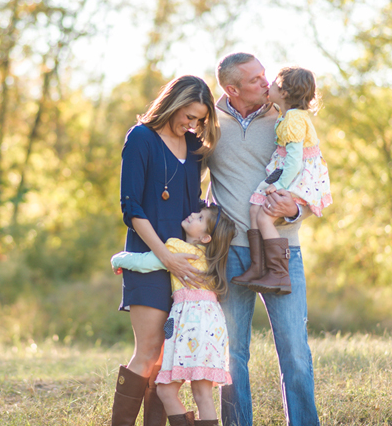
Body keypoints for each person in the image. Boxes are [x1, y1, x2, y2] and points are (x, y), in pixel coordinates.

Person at [206, 53, 320, 426]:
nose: (265, 82)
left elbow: (312, 179)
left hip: (281, 250)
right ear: (231, 89)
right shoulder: (209, 123)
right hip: (228, 253)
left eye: (264, 75)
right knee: (232, 354)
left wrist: (293, 211)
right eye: (255, 79)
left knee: (295, 354)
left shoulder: (287, 117)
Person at [112, 75, 220, 426]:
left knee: (164, 363)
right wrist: (165, 256)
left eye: (199, 119)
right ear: (173, 103)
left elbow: (193, 203)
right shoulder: (141, 138)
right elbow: (132, 209)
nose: (192, 125)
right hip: (150, 258)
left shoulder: (192, 147)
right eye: (188, 116)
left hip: (185, 268)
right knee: (147, 354)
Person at [111, 203, 236, 426]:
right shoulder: (212, 260)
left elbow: (146, 263)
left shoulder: (177, 248)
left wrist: (119, 259)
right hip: (212, 328)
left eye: (199, 218)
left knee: (167, 391)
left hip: (190, 326)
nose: (192, 215)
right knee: (201, 394)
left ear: (206, 237)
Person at [234, 66, 332, 295]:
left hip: (295, 175)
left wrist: (279, 186)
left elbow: (295, 160)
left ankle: (279, 273)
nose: (269, 86)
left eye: (275, 85)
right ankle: (257, 266)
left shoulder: (295, 119)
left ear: (286, 93)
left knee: (265, 216)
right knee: (254, 209)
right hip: (283, 170)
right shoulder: (286, 114)